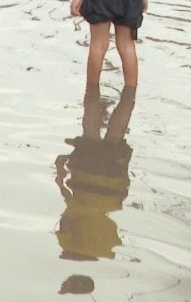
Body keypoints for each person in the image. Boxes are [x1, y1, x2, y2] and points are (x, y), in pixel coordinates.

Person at [54, 84, 137, 261]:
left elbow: (125, 188)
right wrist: (60, 176)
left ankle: (130, 91)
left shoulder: (102, 243)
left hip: (112, 189)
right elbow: (71, 206)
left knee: (116, 136)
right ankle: (108, 86)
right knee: (90, 133)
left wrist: (124, 169)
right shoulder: (70, 243)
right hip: (86, 181)